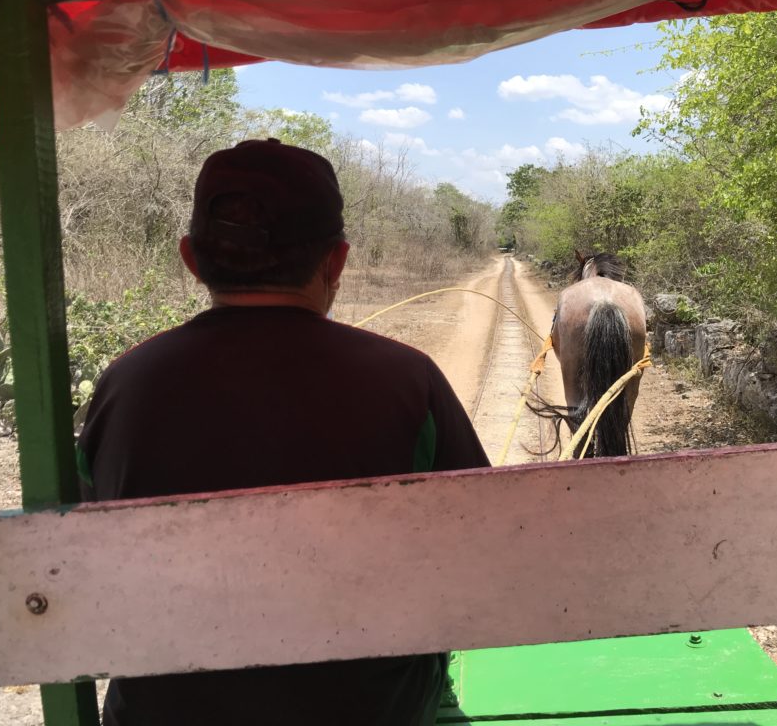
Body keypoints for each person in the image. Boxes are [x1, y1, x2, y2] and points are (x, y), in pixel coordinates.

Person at [77, 138, 490, 725]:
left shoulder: (124, 382)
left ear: (192, 259)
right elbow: (482, 549)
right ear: (336, 261)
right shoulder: (406, 377)